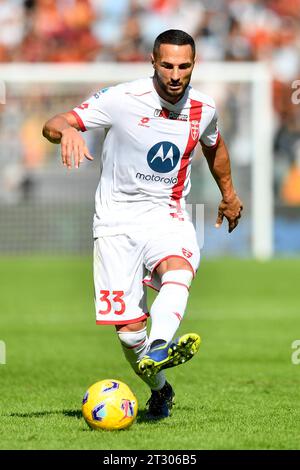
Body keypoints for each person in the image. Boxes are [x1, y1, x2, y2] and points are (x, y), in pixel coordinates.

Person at [42, 29, 243, 420]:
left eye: (183, 66)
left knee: (178, 267)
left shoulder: (203, 107)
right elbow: (56, 122)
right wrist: (66, 130)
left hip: (167, 212)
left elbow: (213, 144)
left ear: (193, 66)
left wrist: (229, 194)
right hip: (116, 221)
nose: (175, 74)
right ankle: (160, 388)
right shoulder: (121, 99)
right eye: (167, 65)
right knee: (130, 332)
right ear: (153, 62)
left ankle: (161, 343)